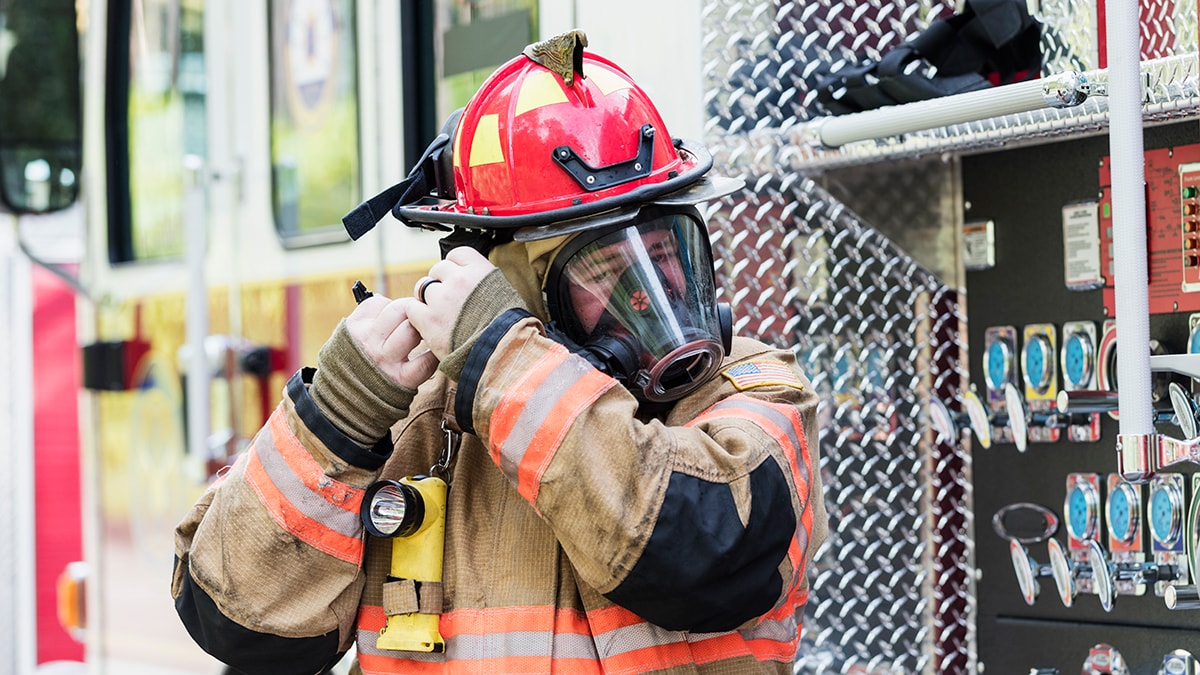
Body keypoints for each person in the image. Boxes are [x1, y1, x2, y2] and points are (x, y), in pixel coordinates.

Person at [173, 29, 827, 675]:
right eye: (604, 269)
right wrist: (336, 417)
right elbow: (241, 625)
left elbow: (705, 553)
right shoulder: (422, 430)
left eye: (662, 254)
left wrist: (505, 362)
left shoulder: (754, 395)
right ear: (509, 285)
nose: (655, 295)